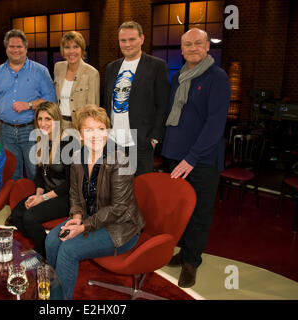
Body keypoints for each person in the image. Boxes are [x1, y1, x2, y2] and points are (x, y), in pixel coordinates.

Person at [45, 104, 145, 300]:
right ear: (80, 134)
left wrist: (83, 227)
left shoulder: (120, 159)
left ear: (107, 131)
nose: (96, 135)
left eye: (100, 129)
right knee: (51, 241)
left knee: (68, 250)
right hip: (91, 218)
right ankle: (55, 297)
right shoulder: (76, 158)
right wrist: (76, 217)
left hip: (120, 228)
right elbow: (74, 194)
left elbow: (119, 209)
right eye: (88, 130)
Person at [161, 28, 230, 288]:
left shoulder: (217, 77)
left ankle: (192, 262)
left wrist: (191, 158)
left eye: (198, 43)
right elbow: (173, 115)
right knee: (182, 211)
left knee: (199, 212)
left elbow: (215, 124)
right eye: (187, 44)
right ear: (181, 49)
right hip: (176, 156)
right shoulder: (179, 76)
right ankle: (185, 251)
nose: (192, 48)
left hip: (200, 160)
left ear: (207, 46)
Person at [0, 29, 56, 181]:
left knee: (34, 171)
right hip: (5, 130)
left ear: (26, 48)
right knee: (11, 172)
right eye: (11, 46)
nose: (15, 50)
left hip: (31, 128)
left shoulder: (40, 71)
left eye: (19, 47)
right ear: (6, 48)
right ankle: (17, 204)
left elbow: (51, 99)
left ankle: (36, 203)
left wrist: (29, 105)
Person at [6, 101, 76, 257]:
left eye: (48, 119)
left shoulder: (69, 143)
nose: (43, 124)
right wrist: (37, 196)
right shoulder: (42, 140)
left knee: (30, 217)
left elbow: (71, 184)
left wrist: (43, 198)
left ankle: (46, 252)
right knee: (16, 215)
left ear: (56, 120)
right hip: (48, 194)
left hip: (67, 197)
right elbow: (40, 176)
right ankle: (46, 247)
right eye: (40, 119)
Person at [103, 21, 170, 176]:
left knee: (139, 189)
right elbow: (108, 102)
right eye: (123, 40)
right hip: (113, 140)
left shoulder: (157, 66)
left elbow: (163, 104)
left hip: (140, 141)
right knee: (115, 187)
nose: (127, 44)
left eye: (132, 39)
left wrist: (155, 139)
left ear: (142, 39)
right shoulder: (111, 67)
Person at [54, 31, 100, 130]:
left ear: (82, 49)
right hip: (60, 125)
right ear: (63, 50)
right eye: (67, 47)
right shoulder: (58, 67)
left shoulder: (92, 73)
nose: (71, 51)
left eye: (76, 47)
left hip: (80, 127)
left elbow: (93, 107)